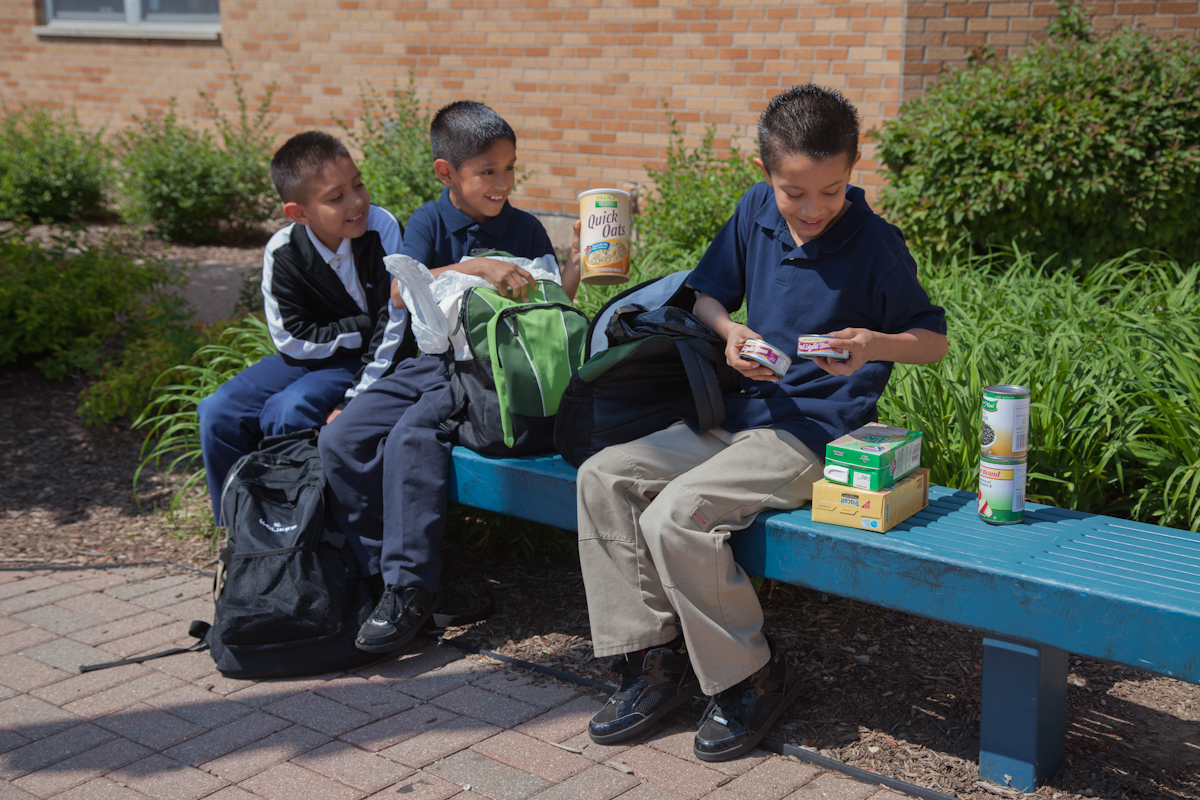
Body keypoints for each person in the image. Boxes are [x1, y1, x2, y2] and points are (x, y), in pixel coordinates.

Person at [577, 84, 948, 761]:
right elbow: (709, 294)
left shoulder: (876, 245)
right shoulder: (754, 212)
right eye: (794, 192)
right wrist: (727, 334)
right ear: (767, 175)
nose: (812, 210)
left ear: (851, 170)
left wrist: (874, 346)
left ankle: (754, 675)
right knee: (603, 476)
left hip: (812, 434)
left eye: (831, 191)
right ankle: (653, 664)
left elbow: (932, 337)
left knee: (676, 517)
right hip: (735, 414)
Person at [319, 100, 581, 654]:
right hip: (429, 364)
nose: (502, 183)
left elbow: (550, 311)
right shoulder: (431, 221)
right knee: (341, 437)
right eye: (488, 171)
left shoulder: (526, 228)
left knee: (413, 436)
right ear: (448, 173)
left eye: (510, 168)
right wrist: (473, 266)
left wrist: (575, 266)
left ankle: (409, 590)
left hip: (485, 372)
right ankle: (377, 578)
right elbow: (397, 291)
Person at [197, 131, 403, 521]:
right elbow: (291, 339)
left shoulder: (382, 229)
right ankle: (238, 534)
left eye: (358, 184)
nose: (357, 201)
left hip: (366, 361)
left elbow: (394, 323)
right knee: (217, 411)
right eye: (336, 197)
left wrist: (352, 398)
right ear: (299, 213)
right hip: (308, 357)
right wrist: (361, 326)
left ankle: (296, 534)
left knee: (288, 410)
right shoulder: (283, 250)